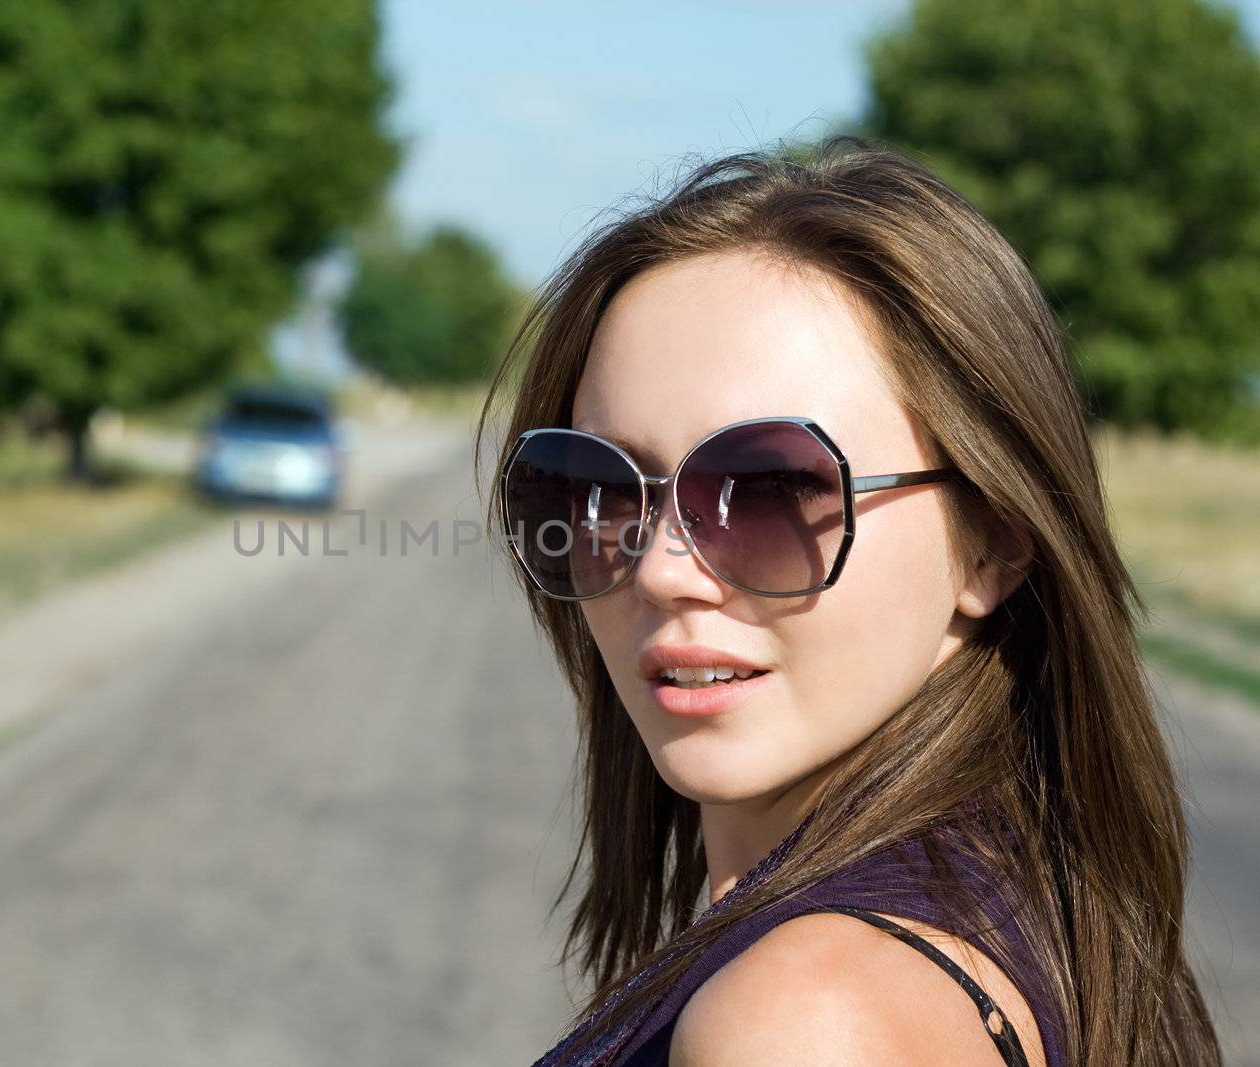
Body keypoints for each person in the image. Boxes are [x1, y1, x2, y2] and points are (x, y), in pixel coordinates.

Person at [473, 135, 1220, 1067]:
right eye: (600, 489)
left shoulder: (807, 1020)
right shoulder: (1004, 908)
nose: (661, 569)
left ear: (992, 543)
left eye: (774, 490)